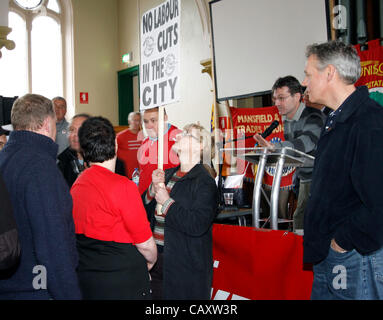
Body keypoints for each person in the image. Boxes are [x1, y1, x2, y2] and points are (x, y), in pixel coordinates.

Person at [302, 40, 383, 300]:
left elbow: (379, 202)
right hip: (332, 254)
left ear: (329, 73)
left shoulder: (369, 121)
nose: (304, 82)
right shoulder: (337, 119)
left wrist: (343, 242)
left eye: (308, 74)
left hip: (353, 257)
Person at [0, 93, 81, 299]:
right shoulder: (41, 169)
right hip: (35, 288)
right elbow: (54, 247)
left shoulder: (4, 159)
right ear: (47, 123)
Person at [71, 116, 157, 300]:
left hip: (88, 278)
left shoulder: (78, 184)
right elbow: (147, 246)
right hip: (122, 280)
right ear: (116, 146)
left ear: (84, 150)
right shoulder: (123, 186)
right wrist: (149, 263)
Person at [143, 123, 219, 300]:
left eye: (186, 134)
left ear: (200, 146)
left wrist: (167, 203)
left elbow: (197, 224)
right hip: (158, 258)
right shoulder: (168, 174)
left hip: (184, 264)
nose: (178, 135)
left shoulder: (204, 182)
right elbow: (143, 211)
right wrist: (152, 190)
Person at [253, 76, 325, 230]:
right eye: (274, 99)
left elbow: (305, 143)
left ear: (297, 96)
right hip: (303, 178)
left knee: (302, 220)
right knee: (300, 220)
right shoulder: (287, 121)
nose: (276, 103)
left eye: (281, 98)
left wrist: (276, 147)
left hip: (320, 179)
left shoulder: (314, 117)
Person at [58, 114, 126, 187]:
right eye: (72, 130)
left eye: (81, 130)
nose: (76, 135)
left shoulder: (112, 163)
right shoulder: (62, 162)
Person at [137, 107, 181, 194]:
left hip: (165, 200)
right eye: (146, 121)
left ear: (165, 118)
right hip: (144, 199)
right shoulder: (146, 141)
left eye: (153, 120)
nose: (149, 126)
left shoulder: (178, 140)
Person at [117, 111, 143, 179]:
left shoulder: (144, 136)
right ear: (129, 121)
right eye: (134, 120)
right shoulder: (120, 136)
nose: (136, 123)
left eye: (138, 120)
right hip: (125, 174)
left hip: (140, 174)